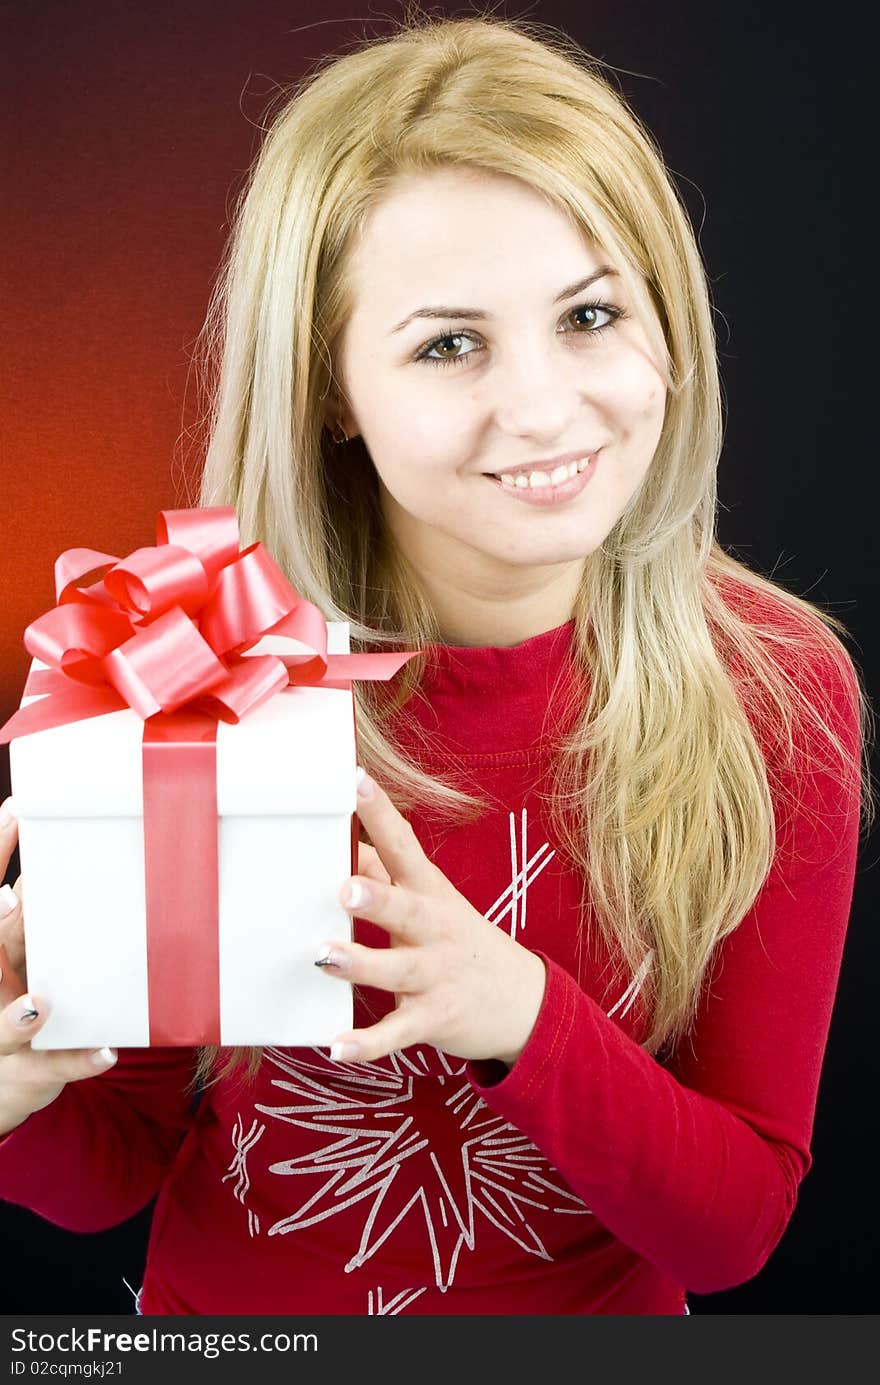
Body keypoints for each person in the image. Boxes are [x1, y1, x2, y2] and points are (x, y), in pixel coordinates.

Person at [0, 9, 873, 1317]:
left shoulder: (775, 687)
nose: (541, 406)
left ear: (665, 317)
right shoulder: (182, 661)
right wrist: (19, 1089)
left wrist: (514, 1007)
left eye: (589, 313)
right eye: (448, 343)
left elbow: (732, 1230)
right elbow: (109, 1167)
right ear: (330, 388)